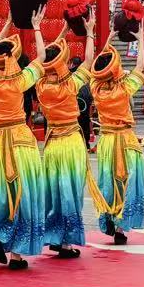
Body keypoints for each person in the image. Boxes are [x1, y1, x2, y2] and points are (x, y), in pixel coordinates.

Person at [0, 12, 50, 269]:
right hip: (20, 138)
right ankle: (17, 254)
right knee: (24, 193)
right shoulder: (17, 81)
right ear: (10, 60)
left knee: (2, 192)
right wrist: (36, 27)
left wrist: (7, 23)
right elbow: (42, 58)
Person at [87, 16, 144, 244]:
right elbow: (140, 67)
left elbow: (96, 67)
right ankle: (121, 226)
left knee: (108, 180)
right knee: (128, 181)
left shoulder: (96, 88)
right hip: (126, 139)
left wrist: (109, 37)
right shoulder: (123, 89)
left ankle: (110, 216)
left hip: (106, 140)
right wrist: (140, 39)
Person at [38, 40, 93, 257]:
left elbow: (42, 60)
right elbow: (88, 61)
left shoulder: (41, 85)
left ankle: (53, 236)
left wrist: (38, 29)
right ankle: (66, 243)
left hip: (51, 144)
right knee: (70, 193)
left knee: (53, 193)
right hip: (71, 142)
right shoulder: (70, 84)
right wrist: (89, 31)